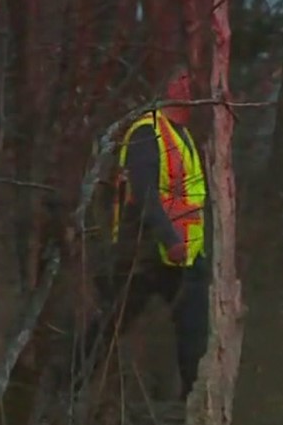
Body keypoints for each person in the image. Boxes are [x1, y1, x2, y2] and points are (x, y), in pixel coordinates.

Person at [76, 66, 211, 403]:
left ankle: (193, 405)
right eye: (180, 78)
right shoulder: (147, 132)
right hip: (145, 251)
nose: (188, 85)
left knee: (194, 330)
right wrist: (170, 239)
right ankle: (70, 386)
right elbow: (145, 193)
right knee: (110, 325)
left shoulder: (183, 135)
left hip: (181, 256)